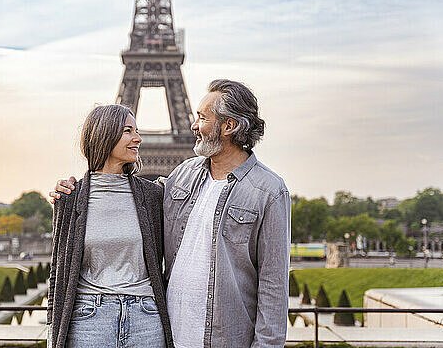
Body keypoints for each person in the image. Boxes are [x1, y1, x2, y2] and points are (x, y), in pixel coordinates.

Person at [51, 79, 291, 348]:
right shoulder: (182, 176)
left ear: (229, 126)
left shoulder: (269, 191)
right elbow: (122, 199)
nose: (193, 125)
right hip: (165, 332)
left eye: (202, 117)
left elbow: (273, 286)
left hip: (217, 336)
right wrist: (73, 189)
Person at [46, 104, 174, 348]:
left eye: (136, 131)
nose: (138, 138)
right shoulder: (69, 198)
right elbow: (57, 271)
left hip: (145, 318)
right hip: (88, 320)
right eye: (128, 131)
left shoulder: (153, 195)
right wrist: (53, 331)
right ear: (104, 135)